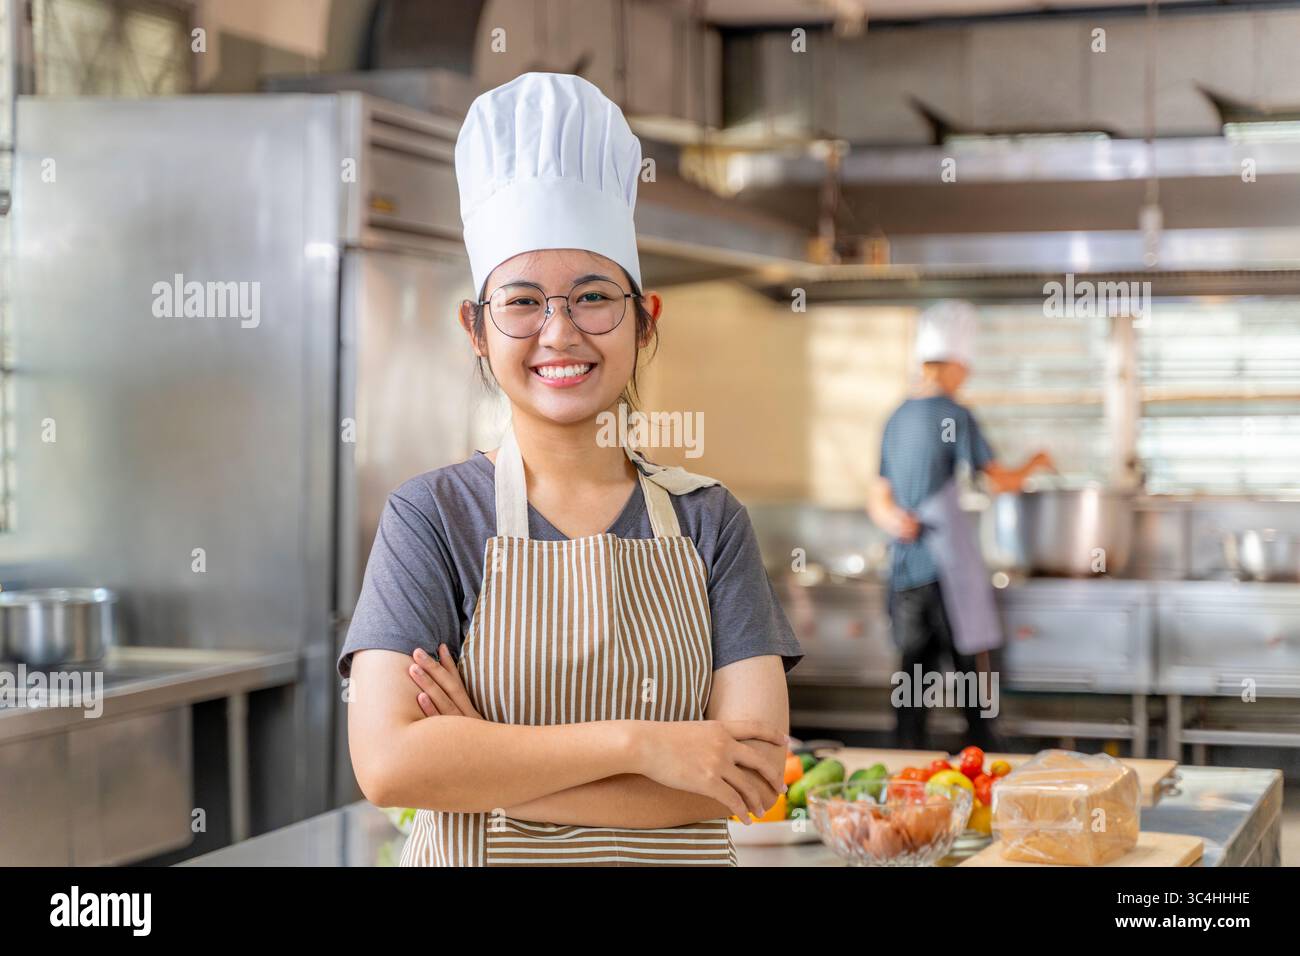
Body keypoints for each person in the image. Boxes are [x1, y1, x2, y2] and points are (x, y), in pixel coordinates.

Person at [337, 72, 803, 867]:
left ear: (643, 320)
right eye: (522, 303)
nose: (559, 333)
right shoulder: (434, 517)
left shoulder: (709, 521)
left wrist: (482, 762)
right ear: (477, 331)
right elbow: (389, 766)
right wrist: (646, 746)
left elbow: (755, 777)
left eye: (593, 297)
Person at [867, 301, 1052, 751]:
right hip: (947, 571)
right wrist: (1037, 461)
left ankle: (903, 773)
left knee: (913, 680)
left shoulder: (896, 416)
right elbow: (1000, 481)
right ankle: (985, 764)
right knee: (971, 677)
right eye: (964, 368)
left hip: (908, 568)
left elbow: (879, 495)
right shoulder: (954, 414)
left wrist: (896, 520)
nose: (966, 377)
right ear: (952, 365)